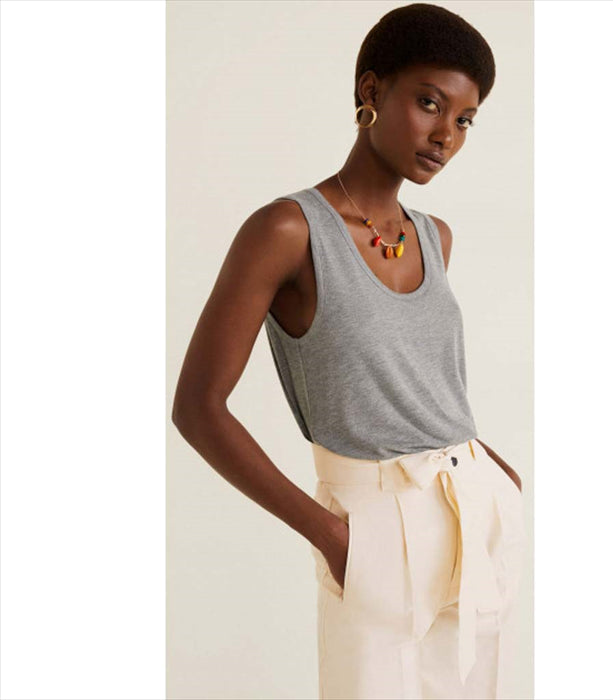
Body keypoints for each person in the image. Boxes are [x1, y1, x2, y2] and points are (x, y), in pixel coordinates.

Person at [172, 3, 526, 698]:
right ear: (371, 91)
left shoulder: (434, 237)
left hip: (475, 508)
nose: (446, 135)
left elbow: (418, 379)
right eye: (430, 103)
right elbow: (198, 408)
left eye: (465, 120)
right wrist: (331, 535)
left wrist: (498, 474)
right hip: (371, 524)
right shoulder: (288, 230)